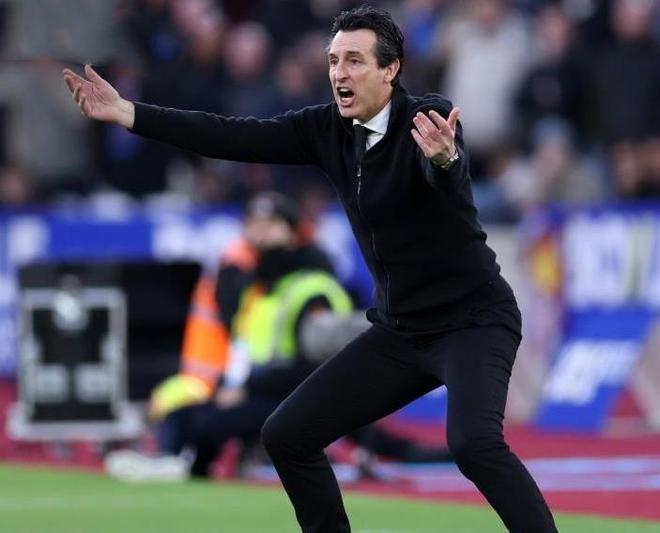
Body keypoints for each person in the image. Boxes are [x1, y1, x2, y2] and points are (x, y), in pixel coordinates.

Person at [63, 5, 557, 532]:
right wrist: (129, 113)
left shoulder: (426, 117)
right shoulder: (326, 129)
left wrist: (445, 161)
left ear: (390, 69)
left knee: (474, 443)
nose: (340, 72)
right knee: (287, 435)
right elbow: (229, 135)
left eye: (354, 60)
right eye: (334, 60)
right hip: (401, 332)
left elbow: (447, 176)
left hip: (473, 322)